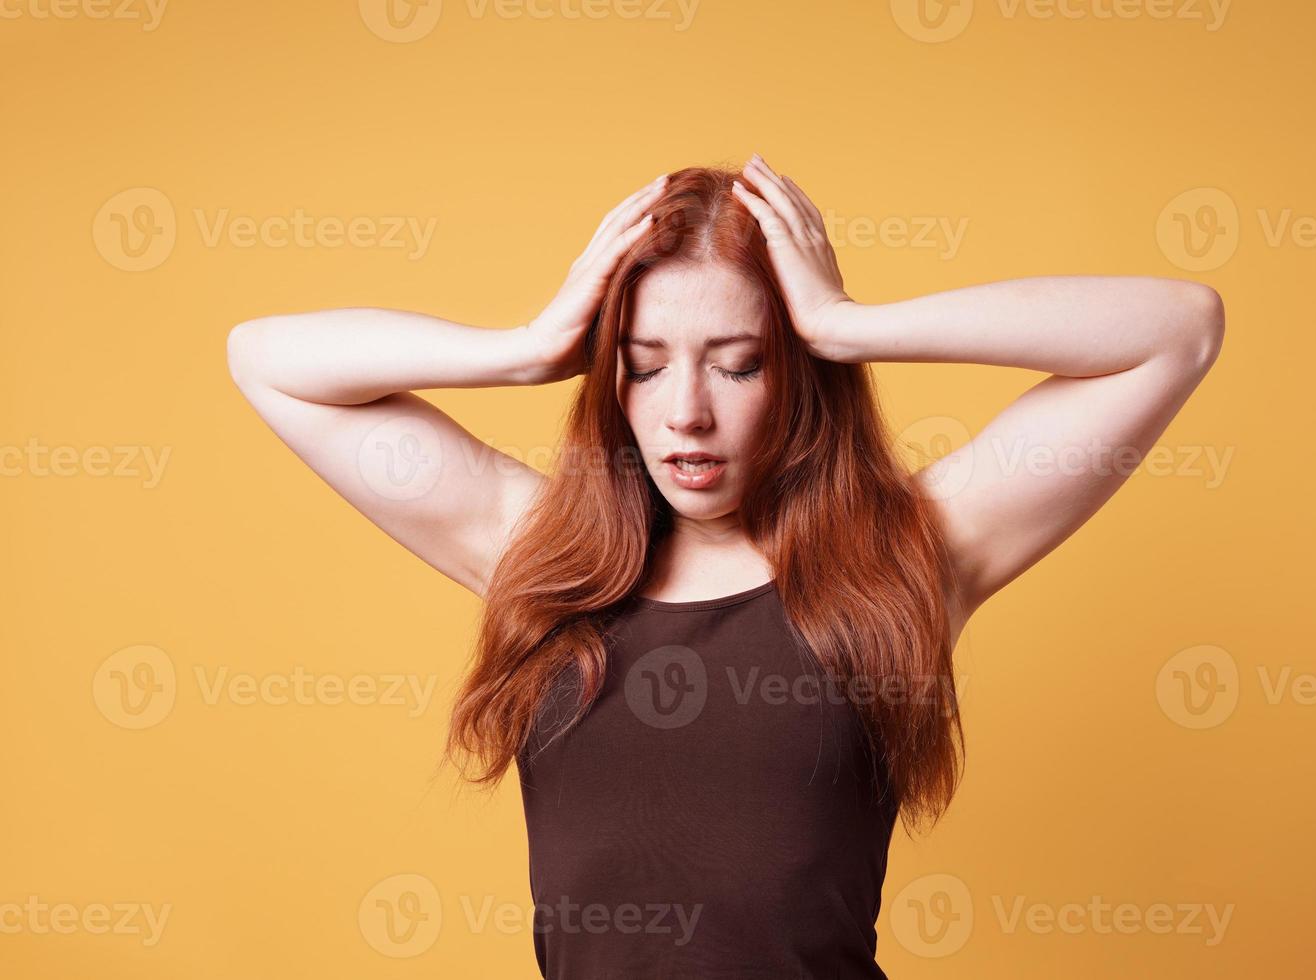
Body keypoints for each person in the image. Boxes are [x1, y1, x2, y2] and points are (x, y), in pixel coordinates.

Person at [226, 153, 1224, 977]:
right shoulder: (536, 551)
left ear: (794, 372)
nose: (686, 410)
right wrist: (525, 348)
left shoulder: (903, 556)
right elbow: (266, 359)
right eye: (646, 361)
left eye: (739, 361)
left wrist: (847, 326)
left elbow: (1177, 331)